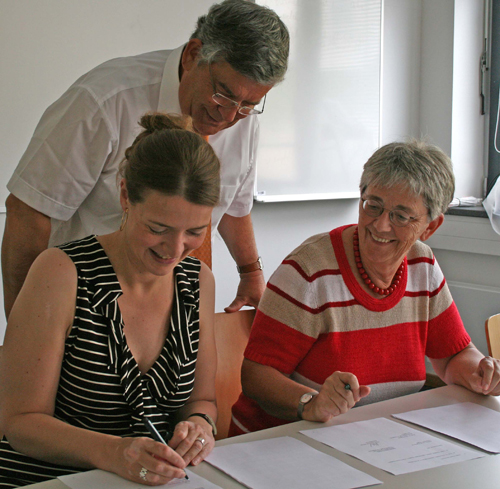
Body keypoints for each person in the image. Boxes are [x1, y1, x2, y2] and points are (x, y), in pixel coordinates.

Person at [2, 0, 290, 318]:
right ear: (194, 54)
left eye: (250, 104)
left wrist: (250, 272)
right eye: (223, 93)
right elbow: (28, 213)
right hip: (84, 308)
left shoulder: (243, 118)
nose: (230, 115)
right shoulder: (105, 100)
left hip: (174, 313)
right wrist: (23, 328)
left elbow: (233, 205)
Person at [0, 113, 220, 488]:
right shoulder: (61, 273)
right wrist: (114, 452)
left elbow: (203, 401)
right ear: (124, 196)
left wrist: (200, 427)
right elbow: (19, 422)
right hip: (48, 479)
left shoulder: (197, 282)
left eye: (195, 232)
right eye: (158, 229)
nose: (175, 249)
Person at [229, 140, 500, 436]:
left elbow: (453, 355)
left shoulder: (422, 265)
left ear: (430, 227)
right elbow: (256, 376)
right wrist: (310, 403)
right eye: (373, 206)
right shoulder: (309, 272)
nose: (380, 225)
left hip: (378, 440)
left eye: (400, 215)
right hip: (283, 443)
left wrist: (480, 373)